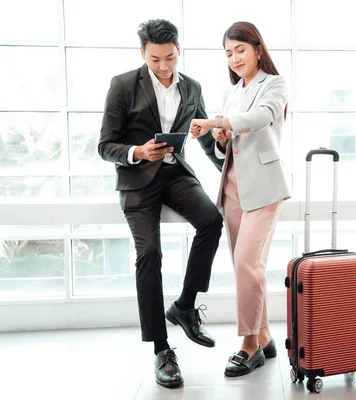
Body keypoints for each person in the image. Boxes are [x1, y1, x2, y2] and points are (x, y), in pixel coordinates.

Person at [98, 19, 224, 388]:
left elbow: (202, 135)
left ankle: (184, 306)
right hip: (138, 181)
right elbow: (105, 145)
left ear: (178, 49)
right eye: (155, 59)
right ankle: (162, 349)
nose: (164, 66)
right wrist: (138, 151)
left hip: (176, 175)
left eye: (169, 57)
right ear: (143, 53)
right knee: (149, 253)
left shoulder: (192, 87)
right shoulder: (122, 85)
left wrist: (224, 158)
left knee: (212, 221)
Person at [189, 21, 291, 378]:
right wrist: (220, 136)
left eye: (240, 50)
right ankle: (263, 336)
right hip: (232, 184)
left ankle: (249, 346)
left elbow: (262, 117)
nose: (234, 58)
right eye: (228, 53)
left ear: (257, 49)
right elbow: (230, 140)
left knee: (248, 262)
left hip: (264, 185)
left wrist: (219, 120)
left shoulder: (274, 84)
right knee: (245, 267)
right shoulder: (233, 92)